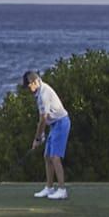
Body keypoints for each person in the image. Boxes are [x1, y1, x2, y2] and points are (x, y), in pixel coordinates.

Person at [24, 70, 70, 200]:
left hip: (61, 123)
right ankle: (49, 188)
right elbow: (46, 118)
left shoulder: (43, 94)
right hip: (55, 125)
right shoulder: (39, 92)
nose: (29, 89)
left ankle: (62, 190)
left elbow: (43, 119)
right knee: (47, 156)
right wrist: (42, 134)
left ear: (35, 81)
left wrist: (37, 138)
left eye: (29, 86)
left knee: (55, 157)